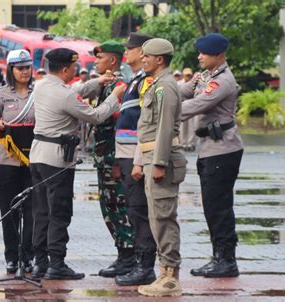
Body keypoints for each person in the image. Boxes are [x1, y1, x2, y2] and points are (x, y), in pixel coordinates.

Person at [29, 48, 125, 280]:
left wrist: (97, 82)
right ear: (65, 69)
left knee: (41, 211)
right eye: (72, 67)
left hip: (38, 155)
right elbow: (96, 116)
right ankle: (57, 263)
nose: (75, 71)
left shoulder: (40, 85)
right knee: (59, 212)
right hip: (57, 159)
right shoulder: (65, 95)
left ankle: (40, 262)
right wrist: (115, 96)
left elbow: (72, 89)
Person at [179, 33, 244, 279]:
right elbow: (183, 92)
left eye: (203, 53)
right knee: (210, 205)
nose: (199, 57)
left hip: (223, 149)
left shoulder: (223, 81)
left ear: (218, 55)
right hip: (209, 148)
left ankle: (226, 260)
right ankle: (218, 257)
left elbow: (197, 105)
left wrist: (165, 111)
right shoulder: (206, 76)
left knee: (219, 207)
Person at [132, 38, 186, 297]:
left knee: (164, 218)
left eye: (147, 56)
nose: (143, 60)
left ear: (160, 59)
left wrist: (160, 163)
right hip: (152, 156)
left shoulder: (166, 86)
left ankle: (170, 277)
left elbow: (164, 128)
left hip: (161, 159)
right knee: (157, 217)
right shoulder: (157, 85)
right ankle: (164, 271)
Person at [78, 40, 135, 279]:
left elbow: (121, 126)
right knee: (109, 207)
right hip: (105, 157)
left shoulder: (120, 86)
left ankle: (129, 256)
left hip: (114, 159)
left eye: (100, 59)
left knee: (118, 207)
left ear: (112, 60)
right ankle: (123, 254)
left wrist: (117, 161)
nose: (96, 62)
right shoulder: (107, 85)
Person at [0, 49, 35, 274]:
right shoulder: (1, 94)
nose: (25, 72)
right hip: (8, 160)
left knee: (32, 209)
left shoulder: (39, 92)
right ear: (11, 70)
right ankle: (12, 256)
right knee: (9, 209)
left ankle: (28, 255)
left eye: (27, 67)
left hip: (34, 160)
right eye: (20, 68)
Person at [114, 32, 157, 286]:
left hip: (137, 155)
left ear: (142, 52)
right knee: (133, 208)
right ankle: (140, 263)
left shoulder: (146, 82)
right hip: (126, 154)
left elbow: (146, 124)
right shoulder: (135, 80)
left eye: (129, 49)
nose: (125, 53)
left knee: (140, 210)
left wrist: (139, 159)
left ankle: (145, 265)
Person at [178, 67, 198, 151]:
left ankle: (191, 143)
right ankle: (183, 143)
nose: (188, 77)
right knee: (182, 126)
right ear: (183, 76)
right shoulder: (179, 83)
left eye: (189, 75)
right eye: (186, 75)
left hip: (191, 105)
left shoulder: (195, 83)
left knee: (192, 126)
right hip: (182, 105)